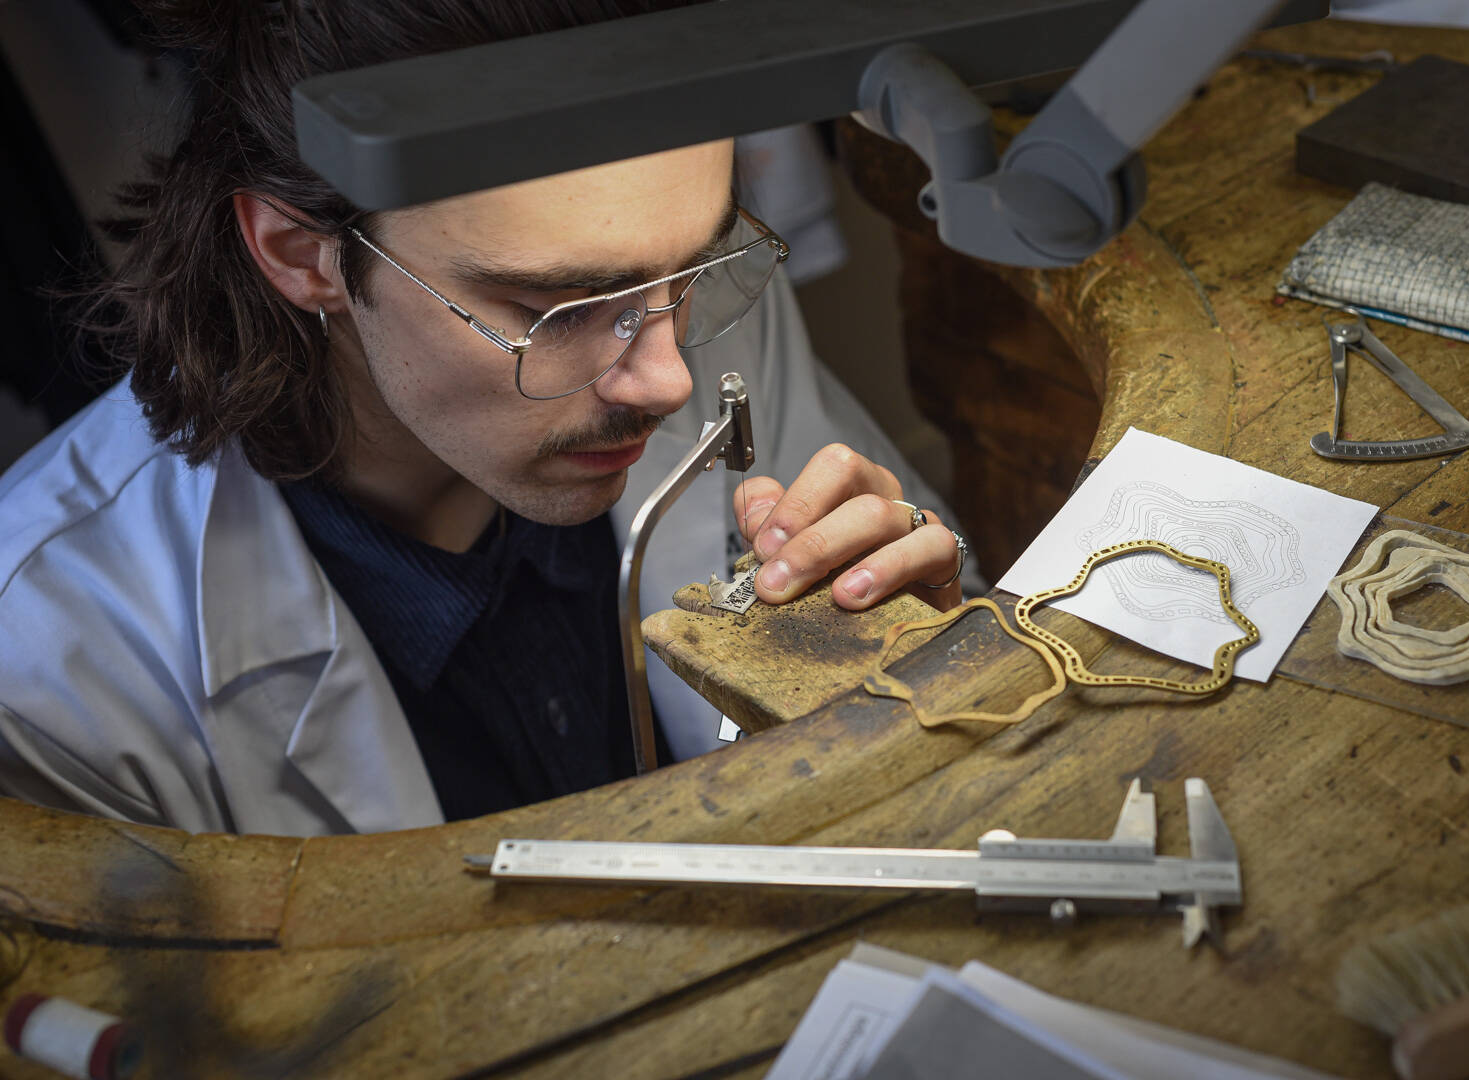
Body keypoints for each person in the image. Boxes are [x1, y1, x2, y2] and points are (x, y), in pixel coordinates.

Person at [0, 0, 974, 836]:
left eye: (692, 270)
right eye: (558, 308)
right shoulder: (50, 669)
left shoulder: (702, 329)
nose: (669, 378)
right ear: (303, 257)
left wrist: (903, 661)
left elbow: (879, 744)